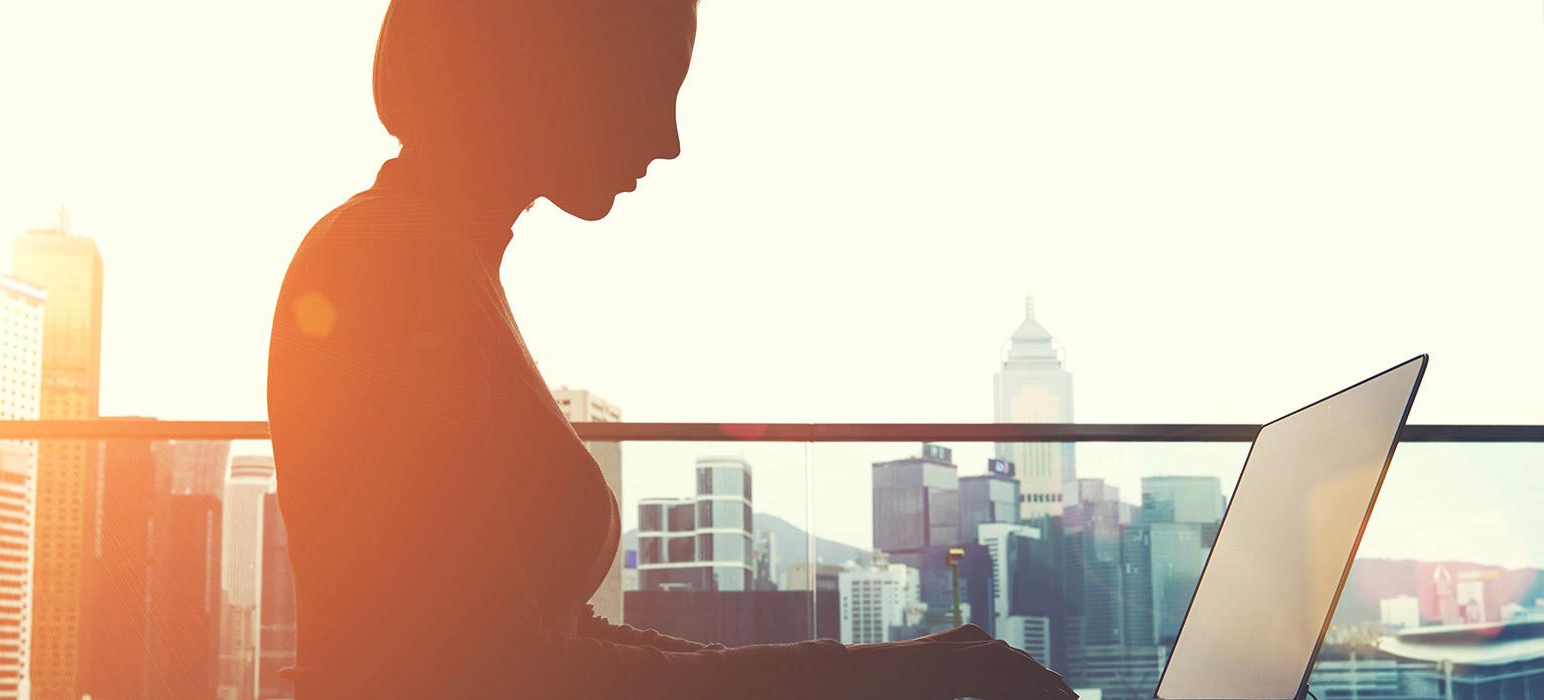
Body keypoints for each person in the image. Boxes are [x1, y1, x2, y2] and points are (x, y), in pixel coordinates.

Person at [267, 1, 1079, 697]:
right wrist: (876, 677)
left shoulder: (429, 255)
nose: (668, 139)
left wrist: (877, 671)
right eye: (648, 85)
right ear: (543, 66)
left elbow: (542, 635)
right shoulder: (392, 265)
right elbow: (502, 673)